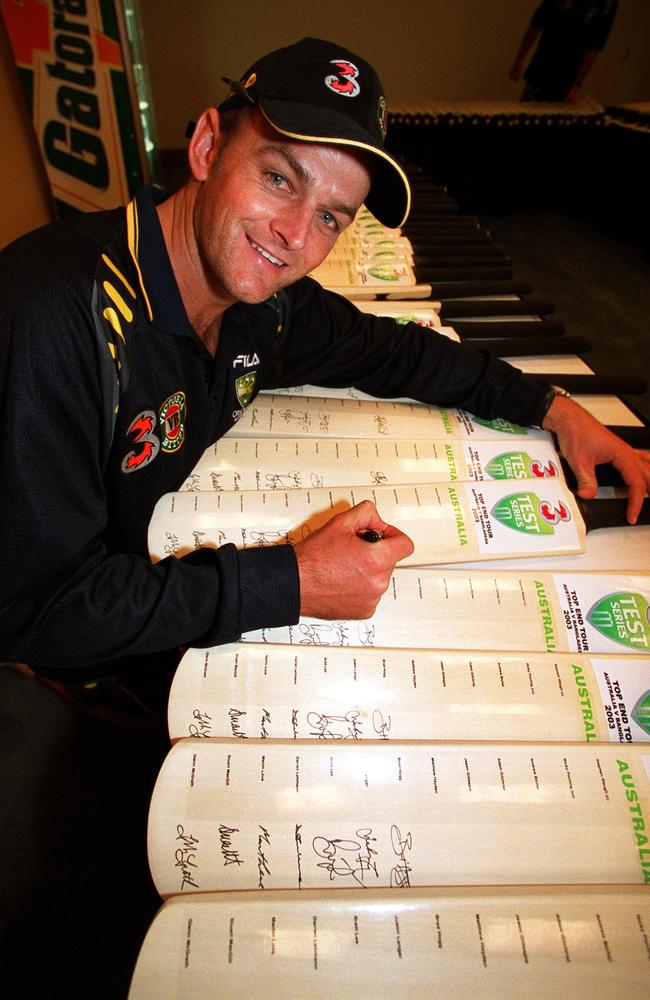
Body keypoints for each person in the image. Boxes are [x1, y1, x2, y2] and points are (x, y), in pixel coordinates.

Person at [1, 37, 647, 715]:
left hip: (154, 579)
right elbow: (28, 607)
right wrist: (290, 582)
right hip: (76, 646)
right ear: (205, 147)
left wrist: (553, 407)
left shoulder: (265, 308)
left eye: (330, 217)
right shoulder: (54, 316)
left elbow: (392, 352)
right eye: (279, 178)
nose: (294, 235)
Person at [510, 0, 618, 102]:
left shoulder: (607, 3)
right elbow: (537, 22)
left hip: (566, 80)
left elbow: (595, 46)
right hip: (541, 68)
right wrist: (520, 58)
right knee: (528, 111)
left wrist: (576, 85)